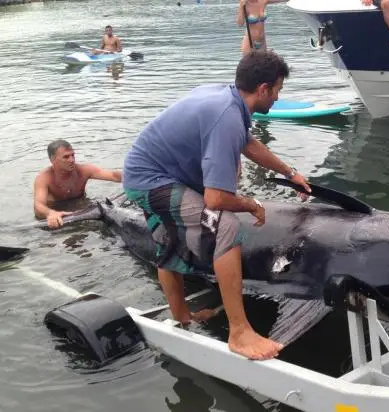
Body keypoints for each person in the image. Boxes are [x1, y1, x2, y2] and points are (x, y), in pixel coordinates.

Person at [122, 50, 312, 361]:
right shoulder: (226, 118)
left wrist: (289, 173)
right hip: (153, 181)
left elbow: (247, 143)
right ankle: (239, 331)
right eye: (278, 89)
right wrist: (251, 204)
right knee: (225, 225)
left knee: (170, 239)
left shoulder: (226, 98)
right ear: (263, 88)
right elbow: (215, 200)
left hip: (146, 174)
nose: (278, 97)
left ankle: (182, 317)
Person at [33, 140, 123, 229]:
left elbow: (113, 175)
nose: (72, 160)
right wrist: (50, 213)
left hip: (80, 207)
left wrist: (133, 176)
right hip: (57, 213)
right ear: (52, 159)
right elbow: (38, 206)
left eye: (73, 155)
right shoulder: (44, 178)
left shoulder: (83, 170)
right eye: (66, 157)